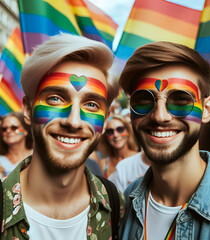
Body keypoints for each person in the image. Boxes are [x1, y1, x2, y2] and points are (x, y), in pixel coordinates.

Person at [1, 33, 125, 240]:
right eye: (56, 99)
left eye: (91, 104)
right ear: (28, 110)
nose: (74, 121)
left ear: (106, 118)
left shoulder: (117, 207)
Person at [118, 41, 210, 239]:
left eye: (181, 100)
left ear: (207, 110)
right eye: (144, 100)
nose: (160, 116)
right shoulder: (126, 201)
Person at [0, 112, 33, 177]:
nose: (8, 131)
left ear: (25, 131)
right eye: (4, 129)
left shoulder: (38, 156)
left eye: (14, 128)